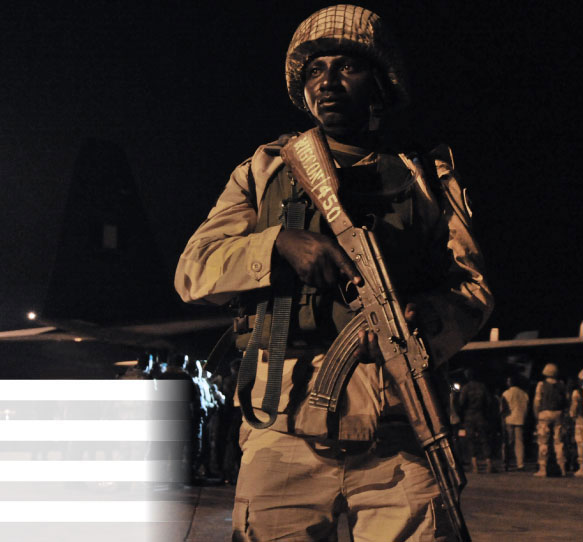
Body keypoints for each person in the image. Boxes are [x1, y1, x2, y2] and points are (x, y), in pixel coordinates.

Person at [175, 5, 493, 541]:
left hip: (400, 425)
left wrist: (429, 316)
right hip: (284, 426)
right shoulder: (265, 170)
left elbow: (472, 287)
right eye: (315, 71)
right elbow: (193, 270)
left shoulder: (426, 176)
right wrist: (276, 245)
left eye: (347, 67)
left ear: (380, 83)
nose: (327, 82)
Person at [458, 367, 496, 474]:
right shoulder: (482, 387)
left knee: (470, 440)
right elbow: (489, 402)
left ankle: (475, 466)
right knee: (484, 439)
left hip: (469, 416)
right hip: (481, 416)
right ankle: (489, 464)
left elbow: (461, 403)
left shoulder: (466, 388)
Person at [533, 362, 567, 477]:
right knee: (559, 442)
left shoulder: (541, 385)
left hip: (544, 414)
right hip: (558, 414)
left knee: (543, 442)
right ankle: (562, 467)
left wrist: (536, 415)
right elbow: (565, 401)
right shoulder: (561, 384)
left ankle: (542, 468)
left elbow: (537, 402)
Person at [501, 375, 529, 471]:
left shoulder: (506, 393)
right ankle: (520, 464)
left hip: (509, 419)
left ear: (510, 383)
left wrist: (502, 419)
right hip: (520, 419)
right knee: (519, 442)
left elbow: (503, 408)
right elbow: (526, 407)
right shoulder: (524, 394)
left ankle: (506, 462)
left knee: (508, 442)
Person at [568, 369, 583, 477]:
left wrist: (572, 416)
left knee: (580, 444)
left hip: (580, 420)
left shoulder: (577, 393)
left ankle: (582, 468)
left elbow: (573, 409)